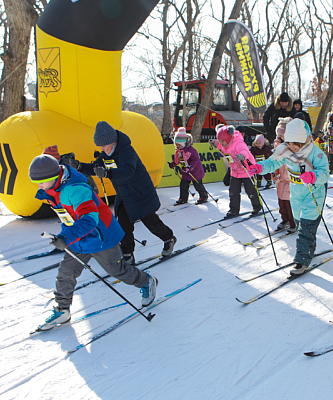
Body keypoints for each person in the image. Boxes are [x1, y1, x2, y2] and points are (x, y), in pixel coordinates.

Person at [29, 154, 158, 330]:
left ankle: (146, 281)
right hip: (78, 239)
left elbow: (89, 220)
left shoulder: (75, 190)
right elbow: (68, 218)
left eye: (41, 182)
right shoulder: (54, 191)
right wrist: (64, 236)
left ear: (53, 178)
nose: (39, 186)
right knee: (66, 272)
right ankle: (62, 309)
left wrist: (65, 238)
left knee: (117, 270)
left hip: (100, 237)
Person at [70, 121, 176, 264]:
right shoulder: (106, 154)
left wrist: (108, 173)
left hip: (139, 192)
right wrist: (80, 166)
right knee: (123, 225)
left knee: (150, 221)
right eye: (100, 146)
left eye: (103, 145)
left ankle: (168, 238)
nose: (102, 148)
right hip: (124, 194)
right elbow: (96, 167)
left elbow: (128, 171)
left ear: (112, 141)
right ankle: (127, 254)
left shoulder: (127, 151)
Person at [251, 118, 329, 275]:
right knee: (302, 226)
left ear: (305, 140)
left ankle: (301, 260)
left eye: (297, 144)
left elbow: (324, 174)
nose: (292, 147)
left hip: (313, 195)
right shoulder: (285, 150)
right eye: (290, 142)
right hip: (296, 196)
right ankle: (308, 250)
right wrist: (260, 167)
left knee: (306, 228)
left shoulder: (316, 154)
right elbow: (272, 163)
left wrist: (313, 176)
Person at [210, 125, 262, 218]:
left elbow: (245, 151)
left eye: (223, 141)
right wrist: (215, 143)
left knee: (250, 191)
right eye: (220, 141)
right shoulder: (224, 145)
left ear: (228, 138)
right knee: (233, 192)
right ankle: (234, 210)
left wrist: (242, 155)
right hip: (235, 172)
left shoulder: (238, 143)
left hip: (246, 170)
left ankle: (257, 207)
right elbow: (220, 146)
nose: (221, 143)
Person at [168, 127, 209, 205]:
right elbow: (178, 160)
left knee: (197, 185)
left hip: (195, 171)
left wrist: (191, 167)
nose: (177, 146)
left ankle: (203, 196)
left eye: (179, 144)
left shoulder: (191, 150)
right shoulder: (178, 151)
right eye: (176, 144)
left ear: (183, 143)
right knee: (183, 185)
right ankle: (183, 198)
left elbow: (195, 160)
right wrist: (173, 164)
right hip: (185, 171)